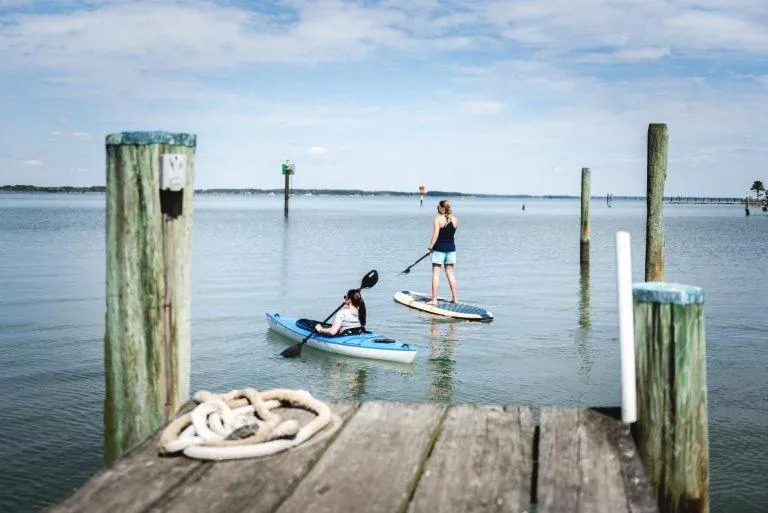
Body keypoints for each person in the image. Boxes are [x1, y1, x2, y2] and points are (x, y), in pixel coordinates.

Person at [426, 199, 459, 304]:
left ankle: (434, 299)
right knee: (451, 274)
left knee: (436, 273)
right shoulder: (456, 220)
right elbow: (449, 235)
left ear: (442, 208)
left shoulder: (438, 219)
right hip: (451, 250)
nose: (437, 208)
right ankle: (455, 298)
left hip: (439, 250)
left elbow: (436, 235)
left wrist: (430, 248)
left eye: (438, 207)